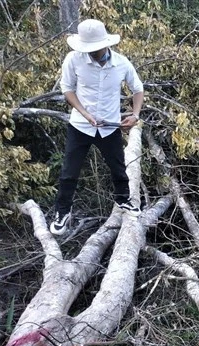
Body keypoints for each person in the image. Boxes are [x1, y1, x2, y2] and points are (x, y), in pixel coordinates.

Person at [50, 19, 144, 235]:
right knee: (69, 172)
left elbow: (137, 89)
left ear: (105, 43)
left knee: (118, 168)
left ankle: (123, 201)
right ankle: (62, 212)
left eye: (95, 48)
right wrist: (85, 113)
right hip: (80, 126)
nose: (91, 52)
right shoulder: (73, 59)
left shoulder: (121, 63)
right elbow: (67, 89)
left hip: (110, 126)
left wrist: (135, 115)